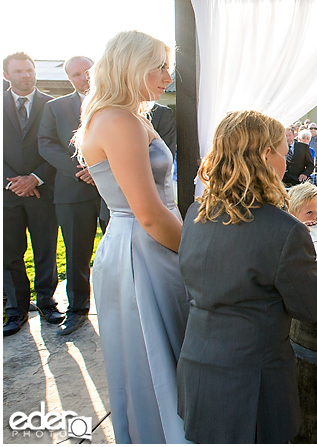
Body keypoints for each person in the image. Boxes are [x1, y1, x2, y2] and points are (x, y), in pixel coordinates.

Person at [177, 110, 317, 443]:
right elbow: (312, 308)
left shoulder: (195, 213)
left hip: (197, 370)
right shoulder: (283, 230)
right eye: (283, 151)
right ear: (265, 156)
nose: (286, 160)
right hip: (254, 387)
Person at [73, 30, 190, 442]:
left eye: (167, 67)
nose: (167, 77)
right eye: (159, 67)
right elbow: (149, 214)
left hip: (143, 245)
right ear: (131, 65)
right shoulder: (119, 121)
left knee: (162, 352)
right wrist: (196, 255)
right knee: (153, 359)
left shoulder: (125, 116)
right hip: (143, 250)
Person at [38, 56, 106, 336]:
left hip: (111, 190)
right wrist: (80, 169)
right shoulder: (54, 108)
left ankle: (127, 307)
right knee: (77, 254)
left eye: (88, 71)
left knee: (119, 252)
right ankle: (77, 310)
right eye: (76, 74)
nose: (84, 78)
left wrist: (101, 169)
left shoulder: (114, 102)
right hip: (72, 191)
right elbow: (46, 143)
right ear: (69, 79)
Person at [3, 51, 61, 337]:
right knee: (10, 253)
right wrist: (13, 182)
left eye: (29, 70)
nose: (26, 75)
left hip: (43, 190)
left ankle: (47, 302)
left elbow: (58, 146)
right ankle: (16, 310)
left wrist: (35, 178)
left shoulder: (52, 105)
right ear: (6, 75)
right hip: (8, 192)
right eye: (18, 71)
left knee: (45, 249)